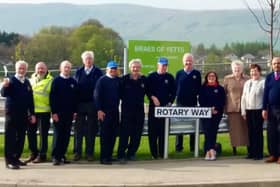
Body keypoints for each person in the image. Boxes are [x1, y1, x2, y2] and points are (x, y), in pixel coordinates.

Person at [1, 60, 36, 169]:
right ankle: (9, 161)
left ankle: (16, 158)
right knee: (10, 138)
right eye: (20, 68)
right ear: (16, 69)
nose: (22, 70)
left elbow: (30, 100)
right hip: (11, 114)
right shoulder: (10, 80)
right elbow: (3, 93)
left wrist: (32, 114)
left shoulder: (27, 82)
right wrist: (5, 86)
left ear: (26, 70)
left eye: (23, 68)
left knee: (20, 138)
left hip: (23, 115)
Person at [73, 51, 103, 161]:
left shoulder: (98, 72)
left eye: (90, 58)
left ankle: (89, 153)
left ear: (93, 60)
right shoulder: (78, 72)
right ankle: (77, 153)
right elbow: (75, 90)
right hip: (80, 104)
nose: (88, 60)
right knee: (78, 130)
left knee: (91, 130)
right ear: (83, 60)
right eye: (86, 58)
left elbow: (100, 89)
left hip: (92, 104)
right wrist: (74, 108)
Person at [117, 59, 147, 163]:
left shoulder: (144, 79)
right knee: (124, 134)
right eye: (134, 67)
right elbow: (118, 94)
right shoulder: (124, 79)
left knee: (137, 134)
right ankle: (121, 155)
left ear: (140, 68)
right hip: (126, 111)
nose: (135, 69)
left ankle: (131, 154)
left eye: (137, 67)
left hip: (139, 111)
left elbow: (149, 92)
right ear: (130, 68)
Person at [147, 57, 176, 159]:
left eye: (165, 65)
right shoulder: (151, 77)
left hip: (165, 109)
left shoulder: (170, 77)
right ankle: (154, 154)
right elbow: (147, 90)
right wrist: (153, 97)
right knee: (153, 132)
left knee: (163, 132)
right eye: (162, 65)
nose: (164, 67)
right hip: (154, 109)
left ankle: (162, 153)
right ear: (158, 65)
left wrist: (170, 102)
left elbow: (174, 92)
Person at [50, 60, 78, 166]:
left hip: (69, 113)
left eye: (68, 67)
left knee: (66, 135)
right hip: (58, 113)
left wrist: (75, 111)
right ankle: (55, 156)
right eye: (65, 67)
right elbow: (52, 98)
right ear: (61, 68)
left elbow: (76, 98)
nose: (67, 69)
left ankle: (62, 155)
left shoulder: (73, 82)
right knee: (58, 135)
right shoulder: (56, 81)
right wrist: (54, 112)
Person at [25, 62, 53, 164]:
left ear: (46, 69)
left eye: (42, 69)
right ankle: (33, 154)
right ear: (35, 70)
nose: (40, 70)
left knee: (43, 135)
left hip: (44, 112)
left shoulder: (50, 81)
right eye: (38, 69)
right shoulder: (30, 80)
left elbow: (53, 98)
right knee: (30, 134)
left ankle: (42, 155)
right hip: (32, 112)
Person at [94, 60, 121, 165]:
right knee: (105, 136)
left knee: (113, 135)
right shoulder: (101, 80)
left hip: (115, 111)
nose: (113, 70)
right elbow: (96, 96)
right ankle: (103, 157)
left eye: (114, 69)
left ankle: (109, 155)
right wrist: (99, 110)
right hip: (104, 112)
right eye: (111, 69)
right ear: (107, 69)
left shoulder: (118, 80)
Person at [175, 53, 201, 152]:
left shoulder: (197, 74)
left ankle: (193, 147)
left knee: (193, 126)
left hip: (192, 103)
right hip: (180, 103)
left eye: (190, 61)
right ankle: (179, 148)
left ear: (193, 62)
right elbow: (175, 88)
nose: (188, 62)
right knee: (179, 126)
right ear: (183, 62)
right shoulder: (179, 73)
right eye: (186, 61)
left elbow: (199, 89)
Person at [224, 60, 249, 155]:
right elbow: (224, 93)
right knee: (234, 130)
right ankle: (234, 150)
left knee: (246, 129)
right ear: (232, 69)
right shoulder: (227, 79)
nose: (237, 70)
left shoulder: (247, 79)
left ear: (242, 69)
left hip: (246, 108)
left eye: (238, 69)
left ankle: (248, 148)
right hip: (232, 108)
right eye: (235, 69)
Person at [199, 71, 225, 161]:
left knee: (213, 132)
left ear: (216, 77)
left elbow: (222, 101)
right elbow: (201, 101)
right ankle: (209, 151)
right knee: (207, 132)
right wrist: (209, 109)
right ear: (206, 77)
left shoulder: (220, 88)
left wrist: (215, 108)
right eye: (209, 76)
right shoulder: (203, 88)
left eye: (213, 76)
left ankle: (211, 151)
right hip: (205, 113)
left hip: (216, 113)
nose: (211, 77)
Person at [241, 64, 264, 160]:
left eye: (255, 71)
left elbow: (265, 97)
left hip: (258, 110)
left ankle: (258, 153)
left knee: (257, 132)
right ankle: (251, 152)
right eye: (251, 71)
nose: (253, 73)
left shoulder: (263, 82)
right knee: (250, 132)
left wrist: (264, 109)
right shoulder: (247, 83)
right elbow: (243, 97)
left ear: (259, 72)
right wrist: (243, 111)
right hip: (248, 110)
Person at [262, 57, 280, 163]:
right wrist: (264, 108)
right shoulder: (269, 77)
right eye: (274, 63)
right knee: (271, 132)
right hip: (271, 109)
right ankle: (273, 154)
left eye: (278, 63)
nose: (277, 65)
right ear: (271, 65)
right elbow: (265, 94)